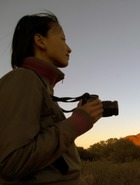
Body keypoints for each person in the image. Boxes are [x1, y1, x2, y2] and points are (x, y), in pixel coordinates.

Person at [0, 12, 103, 184]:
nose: (69, 48)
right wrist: (75, 123)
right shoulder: (23, 78)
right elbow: (12, 163)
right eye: (63, 39)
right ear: (40, 41)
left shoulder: (39, 84)